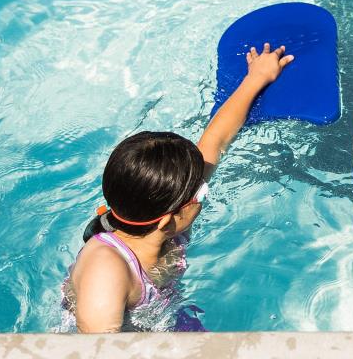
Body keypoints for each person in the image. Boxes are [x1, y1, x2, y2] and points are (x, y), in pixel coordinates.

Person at [62, 43, 292, 331]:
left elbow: (215, 140)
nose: (203, 190)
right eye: (200, 193)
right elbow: (96, 350)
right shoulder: (106, 272)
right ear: (167, 221)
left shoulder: (160, 212)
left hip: (161, 320)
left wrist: (256, 78)